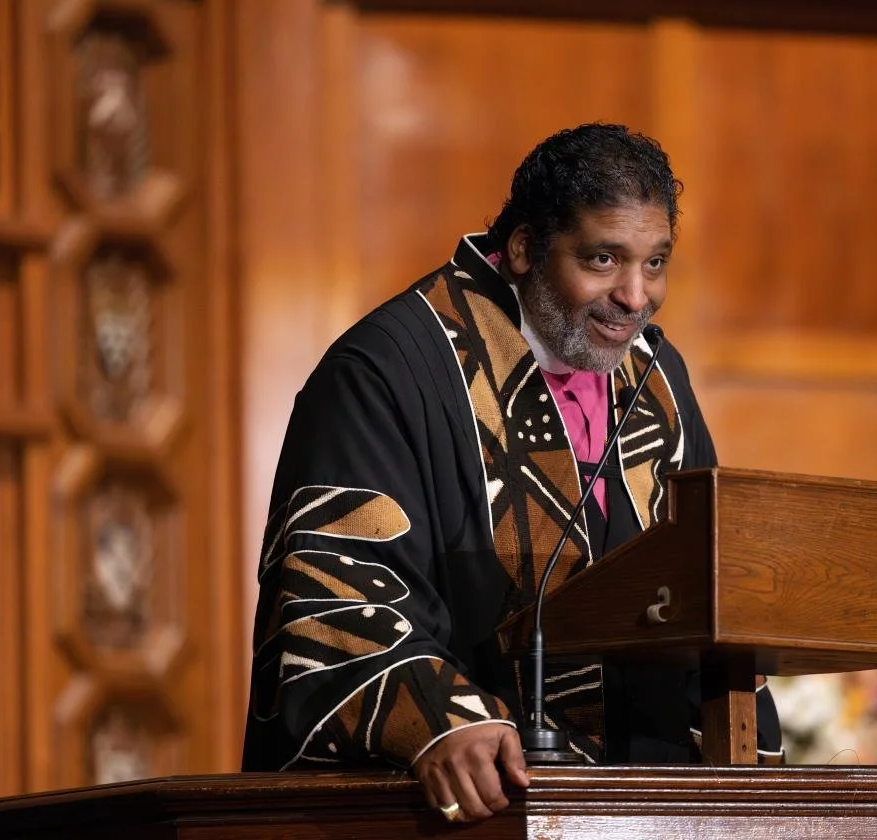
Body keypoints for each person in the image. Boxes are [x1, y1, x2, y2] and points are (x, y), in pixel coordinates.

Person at [242, 123, 781, 822]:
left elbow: (713, 581)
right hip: (463, 813)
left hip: (643, 814)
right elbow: (334, 599)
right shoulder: (389, 371)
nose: (634, 296)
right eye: (603, 259)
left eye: (655, 263)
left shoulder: (655, 375)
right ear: (524, 248)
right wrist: (442, 719)